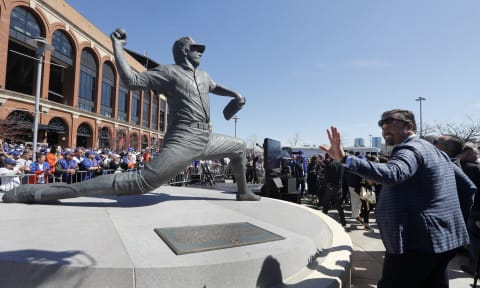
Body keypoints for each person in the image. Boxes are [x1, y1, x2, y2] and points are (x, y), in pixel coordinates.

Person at [3, 29, 259, 203]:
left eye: (201, 49)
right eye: (195, 48)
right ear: (183, 51)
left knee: (237, 148)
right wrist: (117, 47)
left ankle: (243, 192)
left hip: (206, 136)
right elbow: (132, 80)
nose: (200, 52)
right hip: (184, 137)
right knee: (141, 182)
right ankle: (38, 192)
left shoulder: (204, 76)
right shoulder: (169, 73)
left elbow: (216, 87)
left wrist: (235, 94)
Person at [320, 109, 476, 288]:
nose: (384, 127)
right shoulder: (436, 151)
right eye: (381, 123)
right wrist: (453, 222)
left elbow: (393, 173)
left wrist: (345, 159)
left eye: (390, 121)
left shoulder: (411, 148)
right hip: (443, 241)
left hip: (416, 243)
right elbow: (468, 188)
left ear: (409, 126)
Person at [321, 153, 346, 229]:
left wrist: (324, 185)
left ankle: (324, 221)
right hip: (338, 187)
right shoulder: (341, 165)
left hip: (329, 187)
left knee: (326, 204)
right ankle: (343, 222)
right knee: (339, 206)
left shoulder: (329, 165)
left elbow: (326, 177)